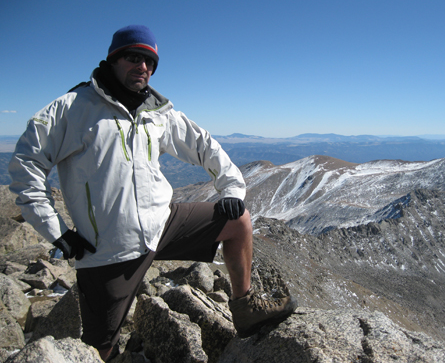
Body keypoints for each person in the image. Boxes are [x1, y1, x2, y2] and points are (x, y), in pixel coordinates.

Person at [9, 25, 297, 361]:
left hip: (163, 223)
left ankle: (244, 307)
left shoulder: (156, 111)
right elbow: (24, 166)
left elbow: (202, 144)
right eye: (134, 57)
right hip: (108, 248)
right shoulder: (71, 108)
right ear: (113, 59)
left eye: (150, 61)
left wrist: (231, 186)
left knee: (238, 221)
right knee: (100, 349)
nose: (143, 67)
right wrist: (57, 232)